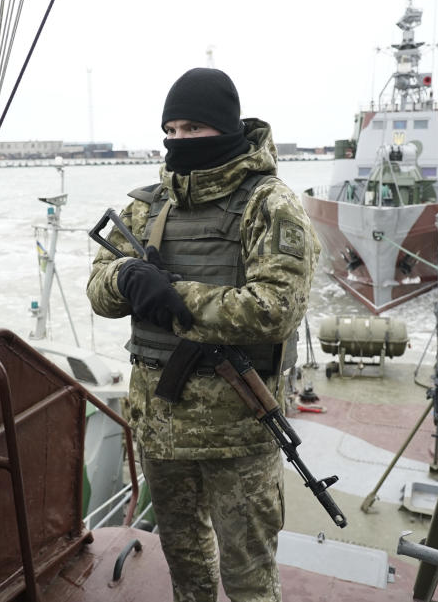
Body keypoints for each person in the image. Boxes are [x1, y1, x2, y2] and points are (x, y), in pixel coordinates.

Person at [86, 67, 316, 602]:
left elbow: (277, 308)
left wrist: (176, 296)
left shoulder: (269, 203)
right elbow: (98, 290)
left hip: (238, 431)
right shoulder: (147, 204)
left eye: (193, 128)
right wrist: (127, 277)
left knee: (249, 579)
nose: (179, 140)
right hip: (162, 430)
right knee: (187, 570)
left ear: (225, 128)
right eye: (172, 129)